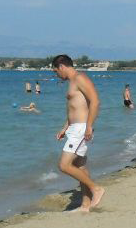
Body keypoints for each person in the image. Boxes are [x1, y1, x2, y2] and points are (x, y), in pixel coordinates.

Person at [51, 54, 105, 212]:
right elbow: (76, 107)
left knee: (64, 165)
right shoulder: (72, 82)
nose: (56, 75)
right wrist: (65, 127)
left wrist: (89, 126)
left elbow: (95, 101)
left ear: (61, 66)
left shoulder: (80, 78)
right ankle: (85, 205)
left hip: (81, 129)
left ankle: (96, 188)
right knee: (79, 166)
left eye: (55, 71)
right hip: (75, 128)